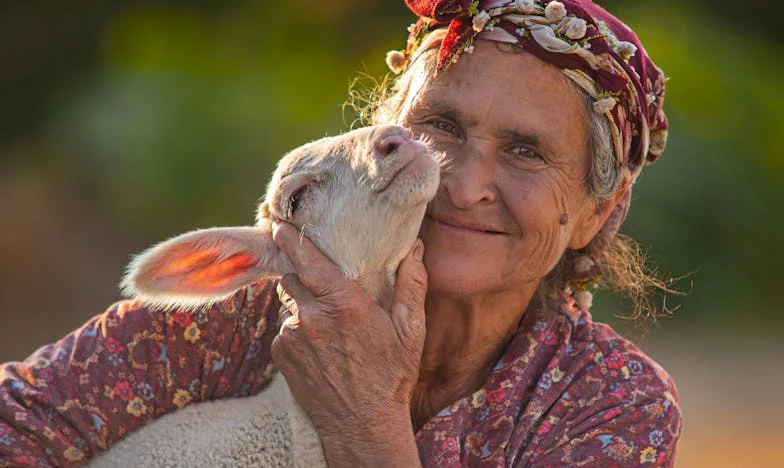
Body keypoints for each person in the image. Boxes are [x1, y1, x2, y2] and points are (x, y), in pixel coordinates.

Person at [0, 0, 682, 466]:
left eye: (526, 152)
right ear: (389, 137)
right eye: (441, 125)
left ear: (597, 210)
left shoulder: (607, 403)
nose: (465, 181)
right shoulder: (246, 310)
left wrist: (365, 427)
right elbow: (17, 426)